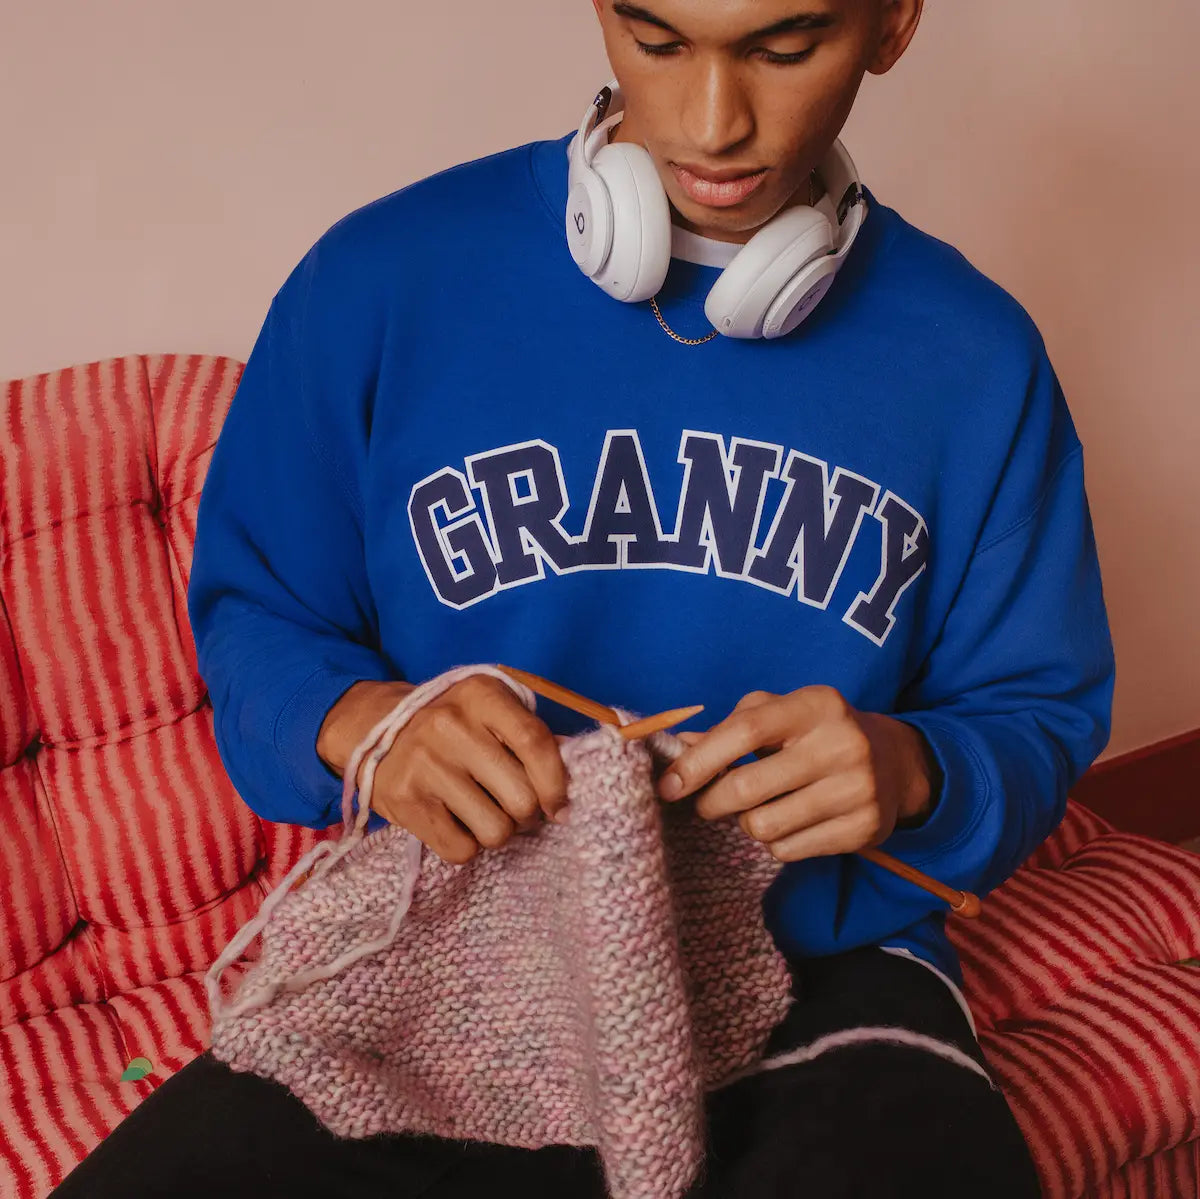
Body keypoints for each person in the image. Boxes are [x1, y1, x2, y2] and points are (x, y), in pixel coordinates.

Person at [52, 1, 1114, 1195]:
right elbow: (257, 619)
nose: (712, 122)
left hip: (824, 963)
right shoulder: (378, 281)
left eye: (782, 48)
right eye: (657, 40)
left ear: (892, 23)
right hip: (448, 950)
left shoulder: (977, 357)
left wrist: (916, 768)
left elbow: (1036, 710)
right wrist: (364, 725)